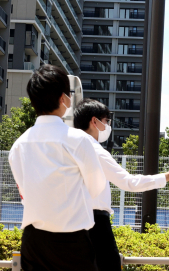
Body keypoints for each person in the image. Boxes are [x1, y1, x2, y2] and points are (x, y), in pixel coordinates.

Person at [9, 65, 107, 271]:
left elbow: (24, 191)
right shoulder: (79, 139)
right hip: (72, 243)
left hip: (33, 242)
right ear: (63, 99)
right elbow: (97, 186)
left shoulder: (18, 145)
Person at [73, 99, 169, 271]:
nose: (107, 126)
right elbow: (129, 182)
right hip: (96, 223)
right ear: (94, 121)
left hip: (72, 223)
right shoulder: (95, 150)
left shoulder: (70, 148)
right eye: (106, 121)